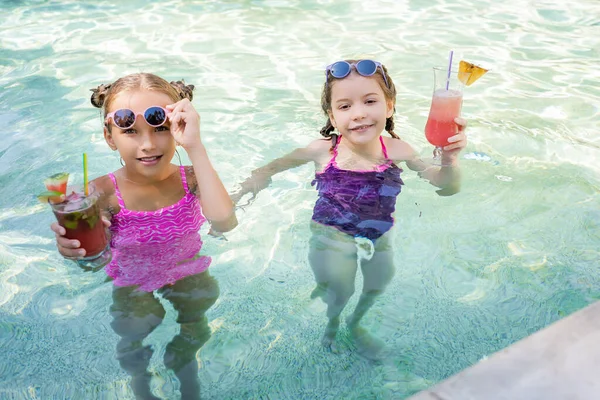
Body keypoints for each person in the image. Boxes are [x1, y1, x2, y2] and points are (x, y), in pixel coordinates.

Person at [231, 59, 467, 358]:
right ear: (331, 116)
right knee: (341, 289)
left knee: (378, 282)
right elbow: (268, 170)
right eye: (344, 106)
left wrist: (449, 159)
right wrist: (239, 197)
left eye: (370, 101)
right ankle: (332, 326)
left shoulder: (399, 150)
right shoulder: (322, 151)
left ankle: (355, 324)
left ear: (389, 106)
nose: (358, 114)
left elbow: (445, 186)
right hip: (331, 235)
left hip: (378, 234)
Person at [51, 73, 237, 399]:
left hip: (187, 268)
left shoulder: (193, 177)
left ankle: (186, 370)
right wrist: (74, 249)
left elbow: (224, 222)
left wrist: (195, 146)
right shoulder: (100, 193)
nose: (148, 144)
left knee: (199, 314)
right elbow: (93, 260)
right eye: (130, 132)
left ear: (177, 129)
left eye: (161, 128)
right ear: (109, 137)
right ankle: (140, 384)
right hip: (131, 279)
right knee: (132, 332)